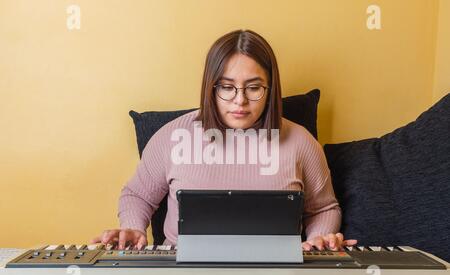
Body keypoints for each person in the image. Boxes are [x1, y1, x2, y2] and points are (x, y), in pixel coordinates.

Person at [91, 29, 357, 252]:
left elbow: (324, 208)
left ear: (270, 89)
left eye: (253, 87)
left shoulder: (301, 143)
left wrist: (318, 239)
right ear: (211, 87)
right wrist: (133, 227)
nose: (239, 100)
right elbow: (137, 195)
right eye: (227, 87)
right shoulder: (172, 137)